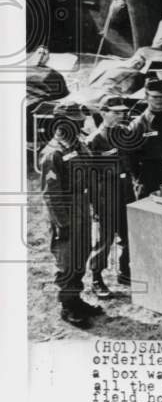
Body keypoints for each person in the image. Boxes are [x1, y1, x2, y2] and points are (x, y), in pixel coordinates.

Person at [39, 103, 104, 328]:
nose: (78, 124)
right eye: (73, 121)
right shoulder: (52, 153)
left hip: (81, 208)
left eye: (79, 121)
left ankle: (76, 299)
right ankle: (68, 306)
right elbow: (51, 194)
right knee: (67, 261)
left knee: (82, 253)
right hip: (66, 212)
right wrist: (62, 224)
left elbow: (88, 174)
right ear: (60, 123)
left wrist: (94, 205)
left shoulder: (78, 144)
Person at [85, 95, 133, 297]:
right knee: (105, 238)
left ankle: (125, 270)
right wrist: (96, 204)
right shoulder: (95, 140)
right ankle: (97, 278)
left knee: (129, 233)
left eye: (122, 112)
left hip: (126, 190)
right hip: (107, 194)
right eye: (116, 112)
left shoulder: (124, 132)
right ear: (104, 113)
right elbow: (90, 177)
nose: (121, 115)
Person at [126, 75, 162, 198]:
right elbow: (131, 157)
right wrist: (138, 178)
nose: (159, 100)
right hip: (150, 177)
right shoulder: (139, 124)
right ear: (146, 97)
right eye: (155, 97)